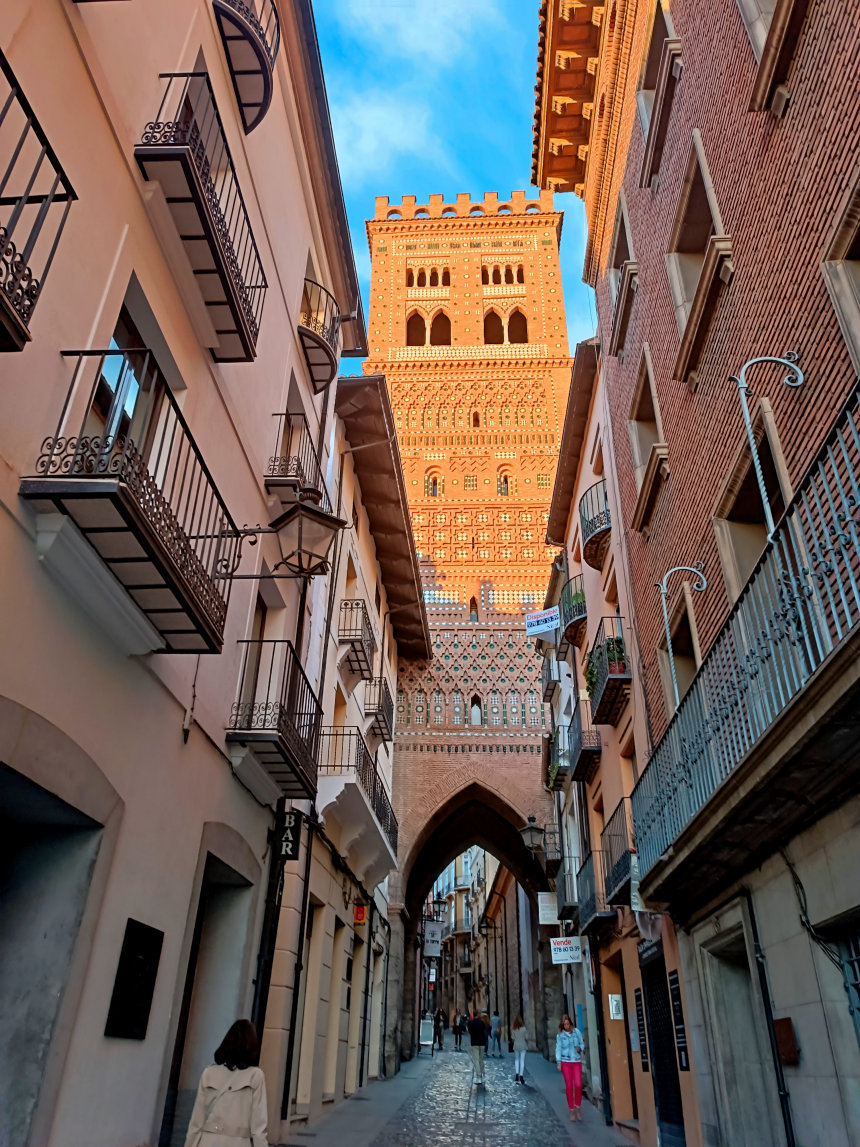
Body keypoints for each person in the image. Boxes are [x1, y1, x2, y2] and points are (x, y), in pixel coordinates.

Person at [185, 1019, 268, 1147]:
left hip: (207, 1142)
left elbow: (196, 1124)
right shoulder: (255, 1076)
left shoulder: (209, 1073)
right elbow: (258, 1130)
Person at [555, 1013, 586, 1121]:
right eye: (565, 1025)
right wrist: (559, 1062)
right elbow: (558, 1048)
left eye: (568, 1024)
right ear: (562, 1026)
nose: (567, 1026)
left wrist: (580, 1048)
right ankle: (571, 1110)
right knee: (569, 1086)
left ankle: (578, 1107)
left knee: (578, 1085)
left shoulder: (576, 1032)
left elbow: (582, 1044)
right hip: (566, 1062)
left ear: (570, 1023)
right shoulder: (560, 1036)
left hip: (576, 1061)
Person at [467, 1010, 488, 1084]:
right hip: (482, 1043)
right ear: (478, 1015)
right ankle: (483, 1075)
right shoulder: (481, 1023)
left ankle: (479, 1076)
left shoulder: (470, 1023)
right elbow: (484, 1032)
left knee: (476, 1060)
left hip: (474, 1043)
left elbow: (470, 1031)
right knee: (481, 1059)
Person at [511, 1015, 528, 1083]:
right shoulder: (524, 1029)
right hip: (523, 1045)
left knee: (516, 1060)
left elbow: (512, 1038)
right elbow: (526, 1037)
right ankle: (521, 1075)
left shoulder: (514, 1029)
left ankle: (517, 1074)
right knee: (522, 1060)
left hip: (516, 1045)